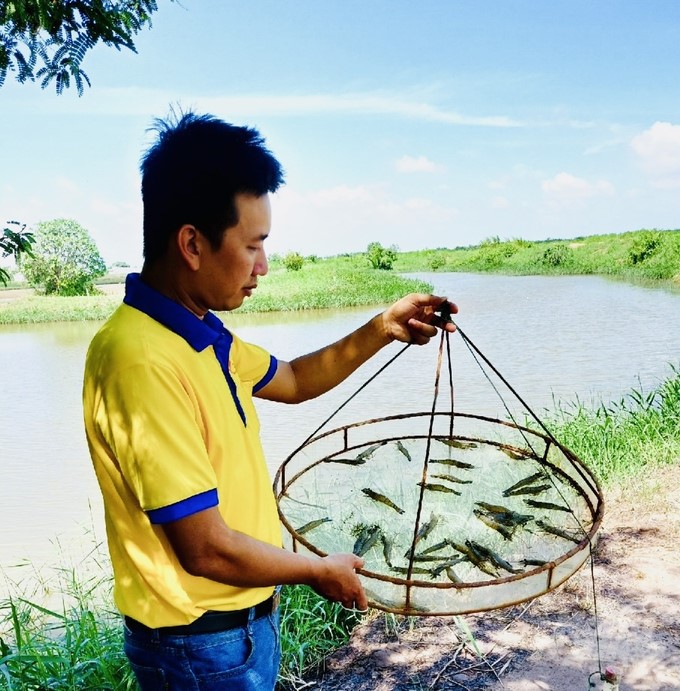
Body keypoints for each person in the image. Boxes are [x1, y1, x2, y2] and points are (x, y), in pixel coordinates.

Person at [82, 110, 457, 691]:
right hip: (199, 643)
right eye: (253, 245)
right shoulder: (140, 360)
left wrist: (383, 327)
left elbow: (296, 379)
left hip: (242, 626)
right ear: (192, 243)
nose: (263, 266)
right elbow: (204, 549)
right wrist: (316, 570)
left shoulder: (199, 330)